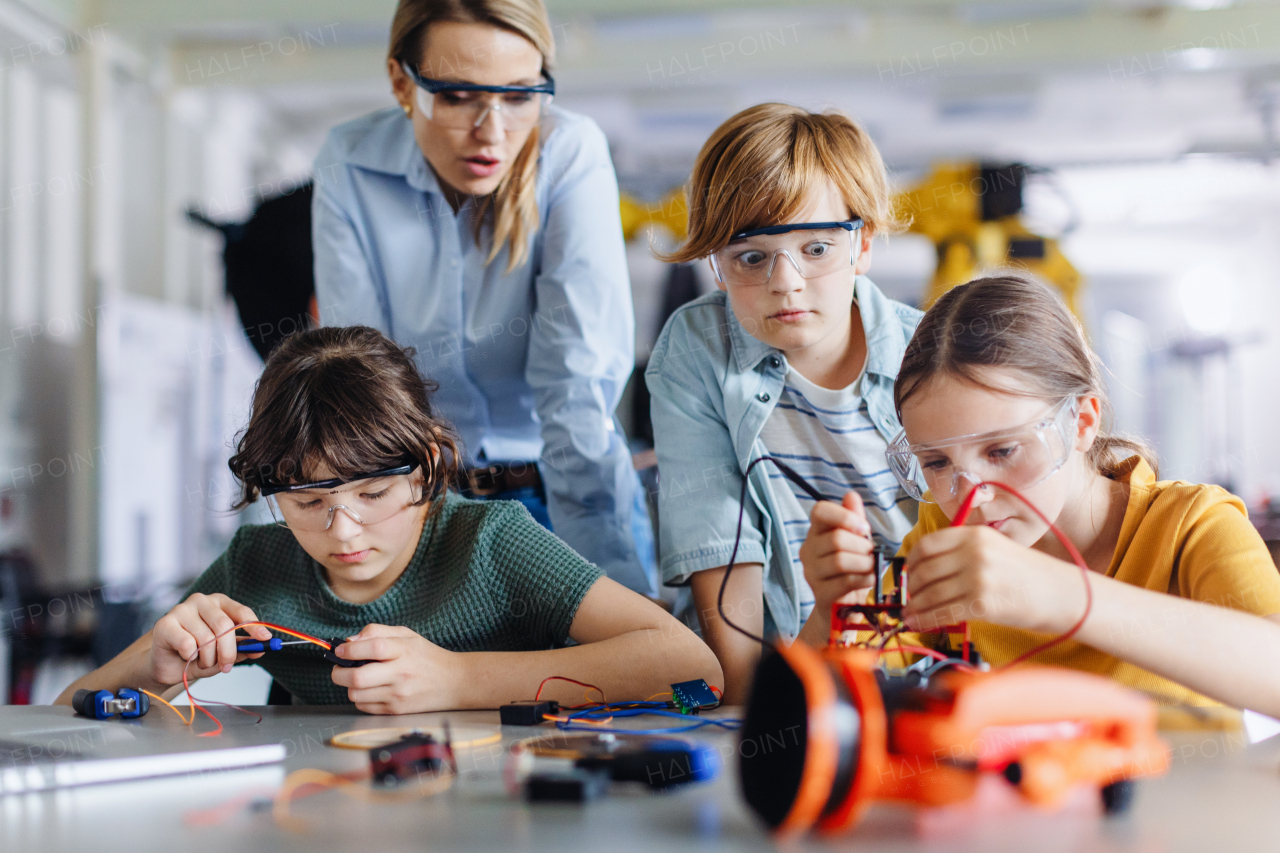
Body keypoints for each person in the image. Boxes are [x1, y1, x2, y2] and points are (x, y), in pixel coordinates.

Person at [57, 327, 721, 712]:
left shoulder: (491, 542)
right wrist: (155, 662)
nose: (342, 532)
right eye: (308, 502)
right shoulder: (255, 562)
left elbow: (694, 665)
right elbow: (66, 713)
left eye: (374, 494)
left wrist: (457, 680)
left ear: (428, 466)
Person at [802, 273, 1280, 715]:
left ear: (1083, 422)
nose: (972, 497)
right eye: (936, 462)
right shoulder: (947, 537)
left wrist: (1068, 598)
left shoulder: (1191, 526)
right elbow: (821, 712)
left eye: (1003, 450)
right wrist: (834, 610)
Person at [310, 0, 656, 596]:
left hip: (559, 500)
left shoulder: (569, 152)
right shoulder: (350, 160)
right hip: (418, 511)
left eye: (520, 96)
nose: (492, 131)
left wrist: (617, 585)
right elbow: (361, 379)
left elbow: (575, 389)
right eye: (458, 95)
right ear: (401, 82)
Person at [645, 103, 922, 703]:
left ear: (862, 246)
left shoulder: (930, 355)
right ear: (716, 265)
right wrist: (752, 704)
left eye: (817, 249)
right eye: (751, 257)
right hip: (774, 662)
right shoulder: (697, 348)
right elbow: (720, 540)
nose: (786, 281)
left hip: (914, 659)